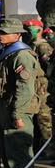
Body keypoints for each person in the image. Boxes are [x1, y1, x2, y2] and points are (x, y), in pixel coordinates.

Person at [0, 19, 40, 168]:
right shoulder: (7, 54)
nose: (0, 35)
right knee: (7, 150)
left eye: (5, 32)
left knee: (19, 152)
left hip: (18, 110)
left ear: (18, 35)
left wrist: (17, 115)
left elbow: (24, 89)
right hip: (6, 108)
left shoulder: (22, 56)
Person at [22, 19, 52, 152]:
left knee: (44, 116)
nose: (28, 32)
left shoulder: (42, 46)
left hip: (42, 85)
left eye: (31, 30)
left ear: (39, 30)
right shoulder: (29, 45)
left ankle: (48, 147)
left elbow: (48, 68)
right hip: (32, 84)